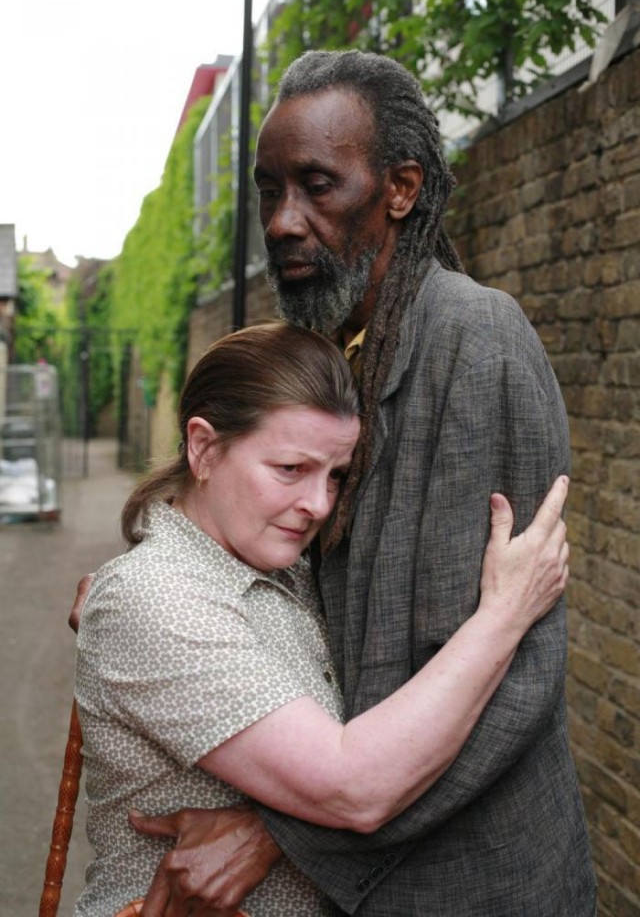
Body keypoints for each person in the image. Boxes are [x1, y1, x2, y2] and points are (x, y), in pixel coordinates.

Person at [127, 50, 597, 916]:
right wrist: (158, 577)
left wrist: (279, 827)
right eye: (270, 191)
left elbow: (515, 671)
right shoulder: (322, 349)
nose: (282, 221)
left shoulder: (476, 341)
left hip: (472, 886)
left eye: (316, 185)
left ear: (402, 189)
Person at [74, 320, 569, 917]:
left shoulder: (279, 564)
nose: (318, 505)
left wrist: (268, 828)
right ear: (203, 448)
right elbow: (351, 788)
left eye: (334, 475)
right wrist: (507, 613)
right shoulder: (153, 596)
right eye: (289, 469)